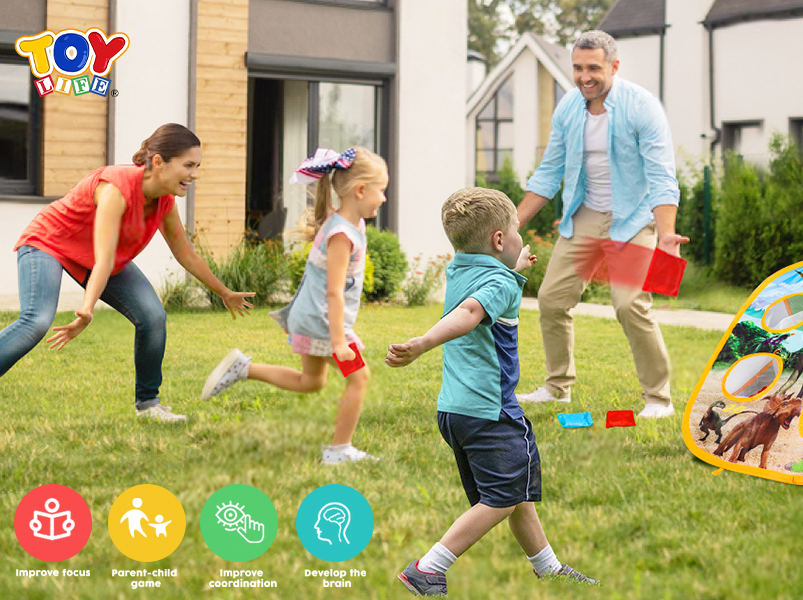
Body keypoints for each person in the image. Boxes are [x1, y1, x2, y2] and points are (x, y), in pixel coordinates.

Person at [385, 188, 597, 596]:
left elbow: (487, 287)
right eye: (517, 229)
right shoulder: (497, 281)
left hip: (455, 411)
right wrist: (422, 344)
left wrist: (514, 269)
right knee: (502, 497)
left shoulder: (461, 269)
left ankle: (548, 567)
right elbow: (470, 311)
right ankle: (429, 567)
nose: (521, 236)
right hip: (490, 411)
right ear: (499, 239)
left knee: (515, 493)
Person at [0, 123, 254, 422]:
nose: (194, 174)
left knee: (153, 317)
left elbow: (185, 253)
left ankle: (148, 405)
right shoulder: (115, 189)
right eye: (188, 165)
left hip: (97, 257)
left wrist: (224, 292)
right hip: (50, 242)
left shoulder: (164, 201)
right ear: (159, 162)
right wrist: (87, 308)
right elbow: (104, 259)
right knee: (37, 321)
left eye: (197, 166)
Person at [515, 30, 689, 419]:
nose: (584, 76)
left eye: (593, 68)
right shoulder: (569, 108)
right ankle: (557, 389)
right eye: (578, 68)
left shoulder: (642, 108)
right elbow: (549, 172)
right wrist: (513, 224)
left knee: (629, 305)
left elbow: (662, 177)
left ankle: (658, 399)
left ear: (614, 66)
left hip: (632, 219)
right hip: (585, 216)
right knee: (551, 300)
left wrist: (666, 235)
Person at [201, 147, 385, 464]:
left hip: (310, 317)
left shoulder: (348, 224)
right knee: (359, 378)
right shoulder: (342, 234)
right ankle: (339, 451)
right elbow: (334, 292)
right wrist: (340, 341)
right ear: (360, 190)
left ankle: (243, 368)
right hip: (323, 321)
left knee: (311, 382)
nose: (382, 198)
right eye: (380, 190)